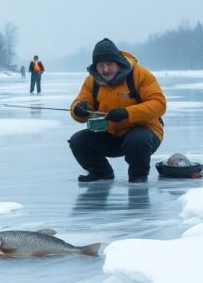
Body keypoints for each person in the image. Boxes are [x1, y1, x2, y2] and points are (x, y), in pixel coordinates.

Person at [68, 38, 166, 183]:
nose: (105, 70)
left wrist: (127, 113)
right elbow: (79, 102)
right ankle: (101, 172)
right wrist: (79, 110)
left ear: (118, 63)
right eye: (101, 65)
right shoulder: (92, 80)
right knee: (78, 141)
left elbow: (159, 104)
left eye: (109, 64)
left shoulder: (139, 74)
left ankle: (138, 176)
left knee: (137, 141)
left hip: (145, 133)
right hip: (111, 134)